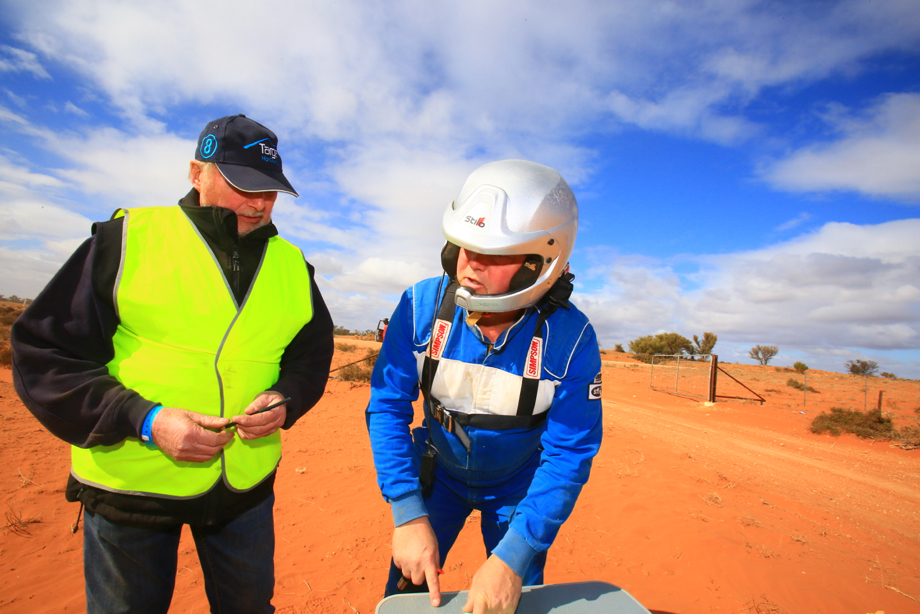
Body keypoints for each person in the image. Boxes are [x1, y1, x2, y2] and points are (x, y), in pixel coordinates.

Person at [11, 114, 334, 614]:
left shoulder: (293, 265)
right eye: (242, 184)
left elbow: (311, 357)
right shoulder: (127, 239)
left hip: (243, 493)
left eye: (270, 190)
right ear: (196, 172)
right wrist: (145, 420)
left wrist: (285, 399)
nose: (258, 202)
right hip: (131, 494)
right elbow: (45, 354)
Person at [366, 160, 603, 614]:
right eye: (461, 246)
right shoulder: (419, 307)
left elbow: (570, 453)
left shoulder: (571, 341)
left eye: (491, 255)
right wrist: (407, 511)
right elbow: (387, 407)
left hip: (519, 491)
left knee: (512, 597)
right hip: (437, 479)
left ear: (540, 265)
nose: (466, 267)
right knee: (406, 588)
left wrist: (514, 558)